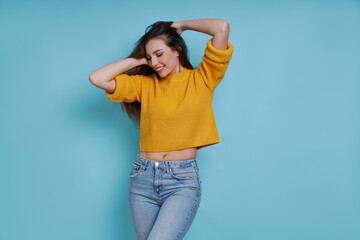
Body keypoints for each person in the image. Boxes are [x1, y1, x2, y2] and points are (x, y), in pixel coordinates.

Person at [89, 18, 234, 240]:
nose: (154, 62)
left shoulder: (203, 79)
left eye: (159, 54)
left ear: (177, 50)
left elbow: (221, 27)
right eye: (149, 57)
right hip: (142, 179)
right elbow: (97, 78)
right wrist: (136, 60)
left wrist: (183, 25)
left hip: (181, 182)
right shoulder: (145, 85)